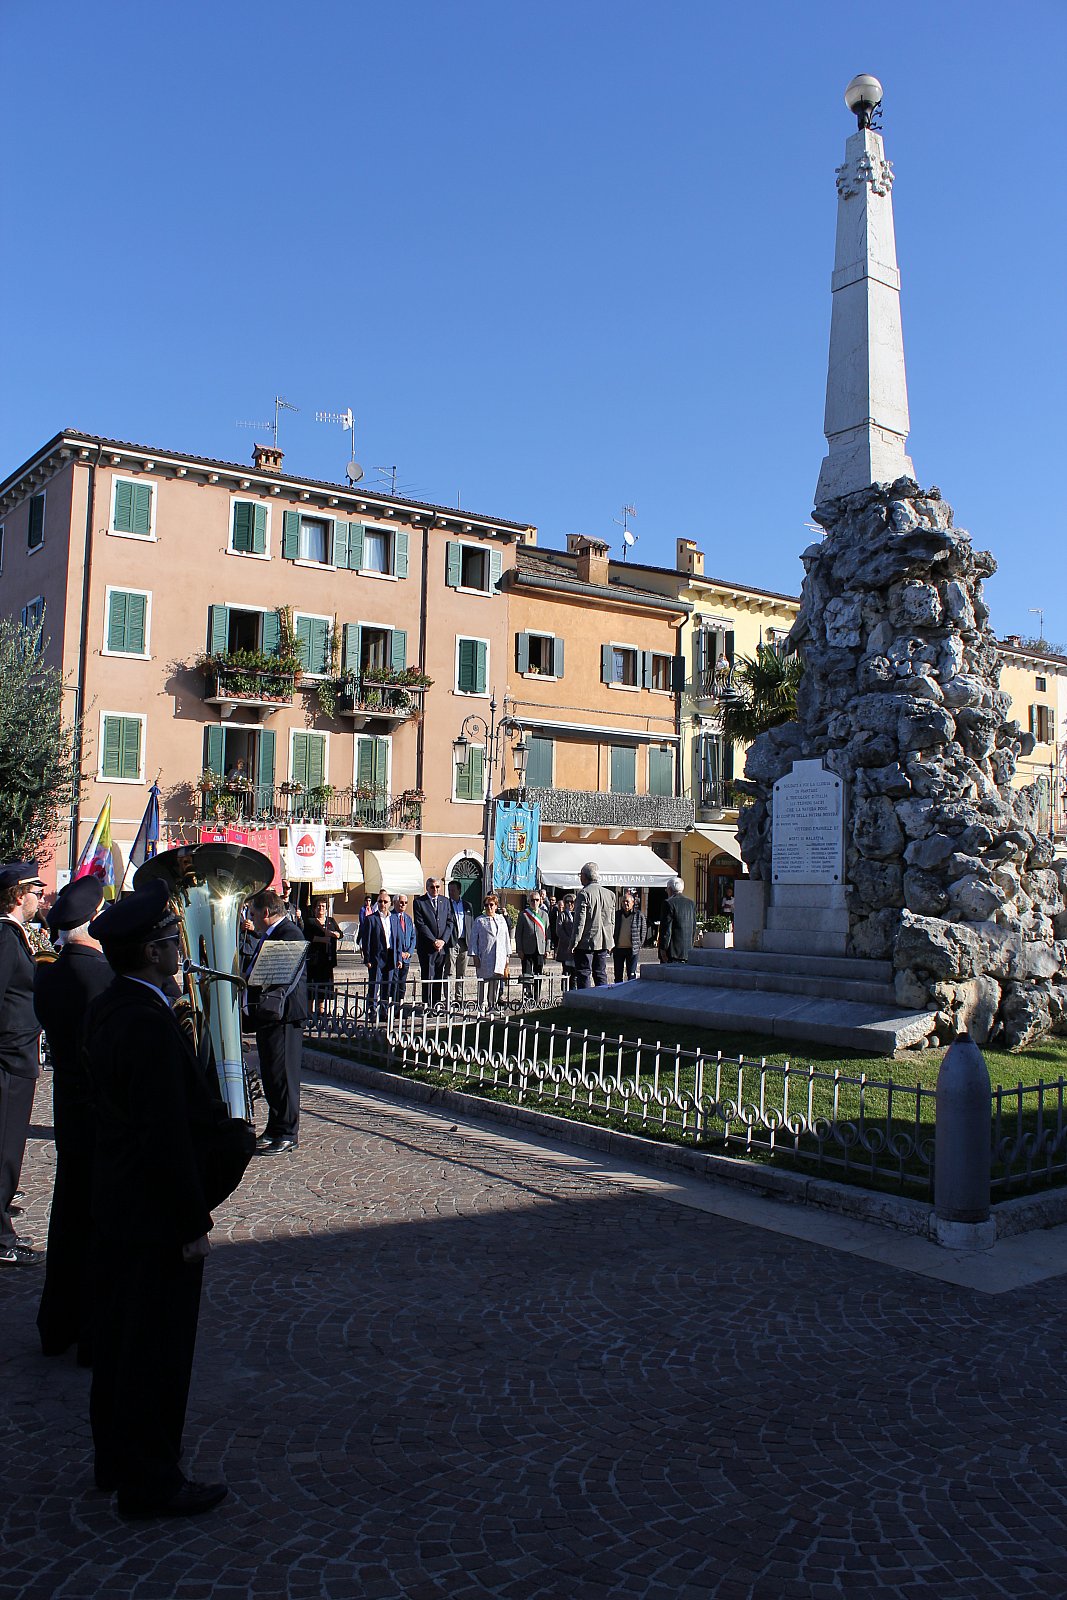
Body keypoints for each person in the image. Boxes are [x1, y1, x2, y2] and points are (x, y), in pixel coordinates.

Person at [85, 879, 229, 1518]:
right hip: (153, 1214)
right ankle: (151, 1481)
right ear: (149, 951)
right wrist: (191, 1222)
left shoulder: (111, 1005)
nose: (179, 948)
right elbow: (165, 1133)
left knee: (120, 1341)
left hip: (118, 1203)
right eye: (172, 939)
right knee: (156, 1349)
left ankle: (115, 1459)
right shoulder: (146, 1022)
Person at [33, 876, 111, 1361]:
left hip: (67, 1104)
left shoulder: (49, 973)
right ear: (95, 921)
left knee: (66, 1211)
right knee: (98, 1217)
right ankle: (90, 1328)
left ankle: (56, 1322)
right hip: (100, 1108)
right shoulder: (102, 978)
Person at [0, 861, 46, 1268]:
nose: (40, 898)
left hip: (17, 1054)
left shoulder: (14, 934)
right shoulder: (4, 936)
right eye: (36, 891)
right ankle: (0, 1238)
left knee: (9, 1148)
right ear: (19, 895)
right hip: (8, 1058)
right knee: (4, 1150)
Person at [245, 889, 307, 1153]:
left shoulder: (289, 933)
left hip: (284, 1016)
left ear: (266, 912)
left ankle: (288, 1133)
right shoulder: (270, 935)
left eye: (253, 914)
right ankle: (274, 1128)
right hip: (269, 1015)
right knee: (271, 1075)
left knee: (284, 1076)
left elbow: (273, 975)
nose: (251, 919)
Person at [572, 862, 615, 988]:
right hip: (604, 942)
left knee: (584, 973)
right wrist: (610, 940)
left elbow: (580, 922)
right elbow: (612, 921)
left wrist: (574, 942)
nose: (580, 878)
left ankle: (585, 998)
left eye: (580, 875)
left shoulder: (584, 894)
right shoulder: (610, 894)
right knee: (600, 973)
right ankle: (602, 997)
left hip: (586, 942)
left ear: (585, 876)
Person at [413, 877, 453, 1010]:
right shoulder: (419, 902)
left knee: (438, 976)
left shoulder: (445, 901)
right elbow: (420, 924)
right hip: (427, 947)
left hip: (441, 947)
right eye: (432, 887)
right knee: (428, 976)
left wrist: (443, 940)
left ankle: (436, 1005)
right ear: (427, 888)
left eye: (437, 887)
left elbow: (450, 922)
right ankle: (428, 1006)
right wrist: (433, 940)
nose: (435, 889)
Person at [469, 893, 511, 1012]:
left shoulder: (501, 919)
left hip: (500, 955)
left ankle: (492, 1004)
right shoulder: (479, 920)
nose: (489, 907)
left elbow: (506, 937)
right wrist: (475, 956)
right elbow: (473, 939)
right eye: (486, 905)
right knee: (484, 980)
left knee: (496, 981)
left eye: (491, 905)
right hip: (485, 955)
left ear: (496, 906)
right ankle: (482, 1005)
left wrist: (507, 956)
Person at [361, 890, 397, 1019]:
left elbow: (397, 938)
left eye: (385, 902)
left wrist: (398, 957)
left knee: (387, 985)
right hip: (376, 956)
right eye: (380, 901)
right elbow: (366, 940)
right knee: (374, 984)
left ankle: (384, 1011)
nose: (383, 904)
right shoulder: (371, 919)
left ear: (390, 903)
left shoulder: (394, 919)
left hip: (390, 954)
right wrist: (367, 958)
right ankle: (372, 1011)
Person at [302, 898, 341, 1010]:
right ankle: (309, 1010)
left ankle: (321, 1010)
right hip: (314, 959)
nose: (321, 908)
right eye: (319, 906)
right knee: (312, 986)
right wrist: (321, 939)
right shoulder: (310, 921)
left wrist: (333, 934)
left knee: (324, 987)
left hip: (327, 959)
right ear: (314, 908)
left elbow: (340, 933)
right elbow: (307, 936)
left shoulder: (331, 921)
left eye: (323, 906)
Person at [515, 891, 548, 1005]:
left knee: (539, 974)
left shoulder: (544, 915)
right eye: (532, 900)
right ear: (529, 901)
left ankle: (536, 997)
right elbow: (518, 934)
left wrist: (547, 949)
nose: (534, 902)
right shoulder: (523, 914)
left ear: (540, 901)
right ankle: (527, 997)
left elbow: (548, 934)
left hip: (540, 949)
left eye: (537, 900)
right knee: (527, 975)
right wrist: (519, 949)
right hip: (527, 949)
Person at [446, 880, 473, 1007]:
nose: (451, 892)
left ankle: (459, 998)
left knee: (461, 972)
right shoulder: (446, 905)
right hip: (452, 941)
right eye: (449, 890)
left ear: (459, 891)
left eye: (453, 890)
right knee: (449, 971)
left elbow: (470, 923)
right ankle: (448, 998)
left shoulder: (467, 905)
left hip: (465, 942)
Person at [658, 875, 696, 965]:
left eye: (667, 889)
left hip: (672, 951)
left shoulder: (668, 903)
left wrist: (663, 949)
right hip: (687, 950)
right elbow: (693, 927)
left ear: (670, 889)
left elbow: (666, 929)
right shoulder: (691, 903)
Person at [613, 888, 647, 984]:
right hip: (618, 949)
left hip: (632, 950)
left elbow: (643, 931)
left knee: (631, 975)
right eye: (623, 902)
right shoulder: (617, 915)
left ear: (633, 903)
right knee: (618, 975)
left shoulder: (639, 915)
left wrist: (639, 944)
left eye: (627, 901)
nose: (625, 904)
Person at [390, 895, 417, 1007]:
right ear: (395, 902)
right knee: (394, 984)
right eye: (401, 902)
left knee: (402, 984)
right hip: (395, 957)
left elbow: (413, 937)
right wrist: (398, 953)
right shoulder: (390, 917)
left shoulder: (408, 919)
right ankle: (393, 1007)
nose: (403, 905)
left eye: (405, 903)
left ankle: (400, 1007)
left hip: (406, 958)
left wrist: (409, 952)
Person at [553, 892, 578, 990]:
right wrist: (569, 941)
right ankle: (564, 992)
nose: (569, 904)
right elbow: (559, 931)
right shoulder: (562, 915)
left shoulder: (578, 914)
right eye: (567, 902)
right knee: (566, 972)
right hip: (565, 948)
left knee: (575, 974)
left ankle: (574, 992)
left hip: (576, 948)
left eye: (572, 902)